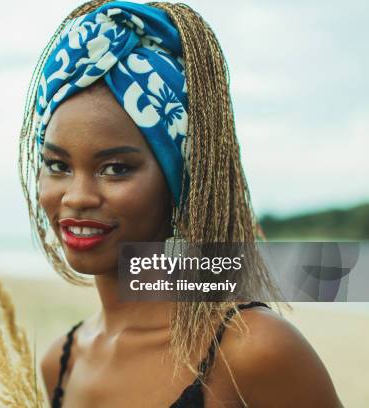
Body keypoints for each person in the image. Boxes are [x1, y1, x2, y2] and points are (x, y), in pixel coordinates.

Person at [18, 1, 342, 406]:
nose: (78, 196)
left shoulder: (252, 350)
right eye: (57, 165)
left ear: (178, 178)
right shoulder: (60, 365)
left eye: (116, 168)